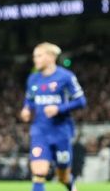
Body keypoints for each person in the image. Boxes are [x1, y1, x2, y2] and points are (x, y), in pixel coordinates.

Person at [20, 42, 86, 191]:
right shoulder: (32, 79)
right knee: (39, 171)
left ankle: (69, 184)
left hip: (61, 131)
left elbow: (81, 101)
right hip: (40, 131)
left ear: (50, 57)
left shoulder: (66, 77)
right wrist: (26, 110)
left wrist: (59, 108)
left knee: (62, 175)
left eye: (38, 56)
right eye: (34, 56)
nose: (35, 59)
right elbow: (29, 101)